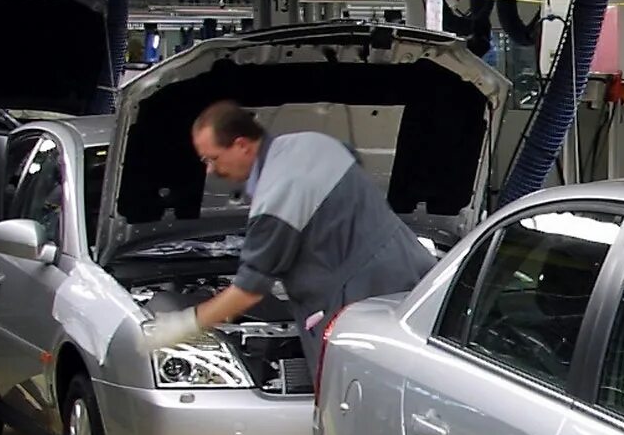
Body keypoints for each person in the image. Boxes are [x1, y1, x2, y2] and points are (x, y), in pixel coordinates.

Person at [142, 102, 434, 360]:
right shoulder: (314, 143)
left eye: (212, 158)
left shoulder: (277, 197)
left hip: (361, 308)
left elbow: (249, 291)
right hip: (415, 276)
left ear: (242, 144)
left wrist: (185, 324)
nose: (209, 170)